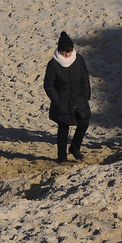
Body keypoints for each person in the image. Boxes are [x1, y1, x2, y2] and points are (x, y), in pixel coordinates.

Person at [44, 32, 91, 161]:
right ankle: (62, 157)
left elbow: (85, 78)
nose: (67, 54)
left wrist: (86, 95)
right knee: (63, 128)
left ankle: (75, 148)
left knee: (84, 123)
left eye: (69, 52)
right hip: (62, 100)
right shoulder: (53, 64)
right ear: (60, 51)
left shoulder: (79, 60)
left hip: (79, 98)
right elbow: (48, 85)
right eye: (65, 52)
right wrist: (57, 100)